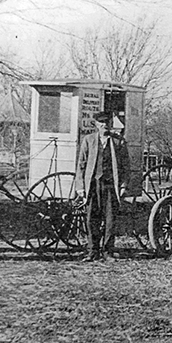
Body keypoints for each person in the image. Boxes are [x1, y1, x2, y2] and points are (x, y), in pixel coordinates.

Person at [75, 111, 131, 262]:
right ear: (96, 125)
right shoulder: (88, 140)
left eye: (107, 122)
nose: (104, 125)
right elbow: (81, 165)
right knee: (91, 219)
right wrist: (80, 187)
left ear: (111, 124)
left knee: (110, 220)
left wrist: (123, 185)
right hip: (92, 185)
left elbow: (126, 167)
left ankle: (108, 252)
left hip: (110, 186)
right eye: (101, 123)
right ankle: (92, 252)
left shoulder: (119, 142)